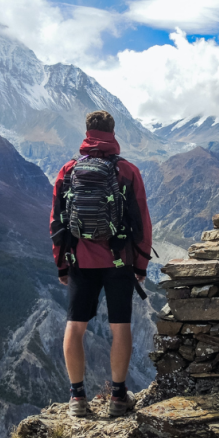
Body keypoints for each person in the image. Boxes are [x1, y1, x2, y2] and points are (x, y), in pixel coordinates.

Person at [49, 110, 152, 417]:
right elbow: (142, 222)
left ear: (86, 132)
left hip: (80, 260)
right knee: (120, 327)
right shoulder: (128, 171)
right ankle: (119, 397)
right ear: (113, 132)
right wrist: (141, 265)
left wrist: (62, 264)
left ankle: (77, 398)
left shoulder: (68, 171)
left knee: (76, 325)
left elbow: (56, 222)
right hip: (119, 261)